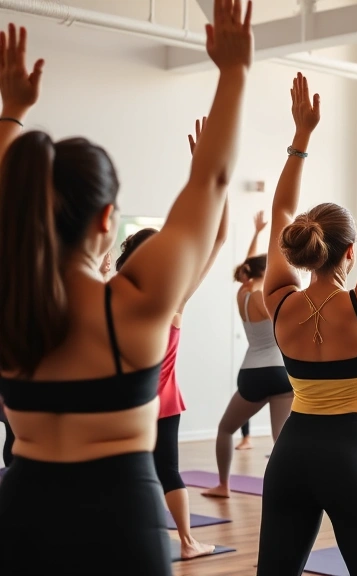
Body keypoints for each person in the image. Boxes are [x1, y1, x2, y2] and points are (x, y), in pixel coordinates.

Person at [0, 4, 251, 573]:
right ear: (108, 219)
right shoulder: (135, 304)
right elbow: (208, 182)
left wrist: (12, 110)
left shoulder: (10, 299)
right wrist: (234, 73)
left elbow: (11, 203)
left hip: (21, 514)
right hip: (117, 518)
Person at [257, 63, 357, 575]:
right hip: (351, 458)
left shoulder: (279, 300)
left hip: (291, 456)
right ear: (349, 253)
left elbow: (280, 209)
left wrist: (301, 136)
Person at [114, 116, 229, 559]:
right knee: (169, 471)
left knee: (132, 471)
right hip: (164, 404)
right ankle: (186, 541)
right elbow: (217, 237)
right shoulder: (172, 302)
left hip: (126, 402)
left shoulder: (113, 300)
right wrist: (212, 173)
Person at [202, 212, 294, 498]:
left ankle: (223, 485)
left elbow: (250, 262)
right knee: (282, 438)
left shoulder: (242, 294)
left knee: (226, 429)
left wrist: (257, 233)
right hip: (281, 372)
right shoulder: (266, 297)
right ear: (266, 272)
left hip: (254, 372)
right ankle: (287, 491)